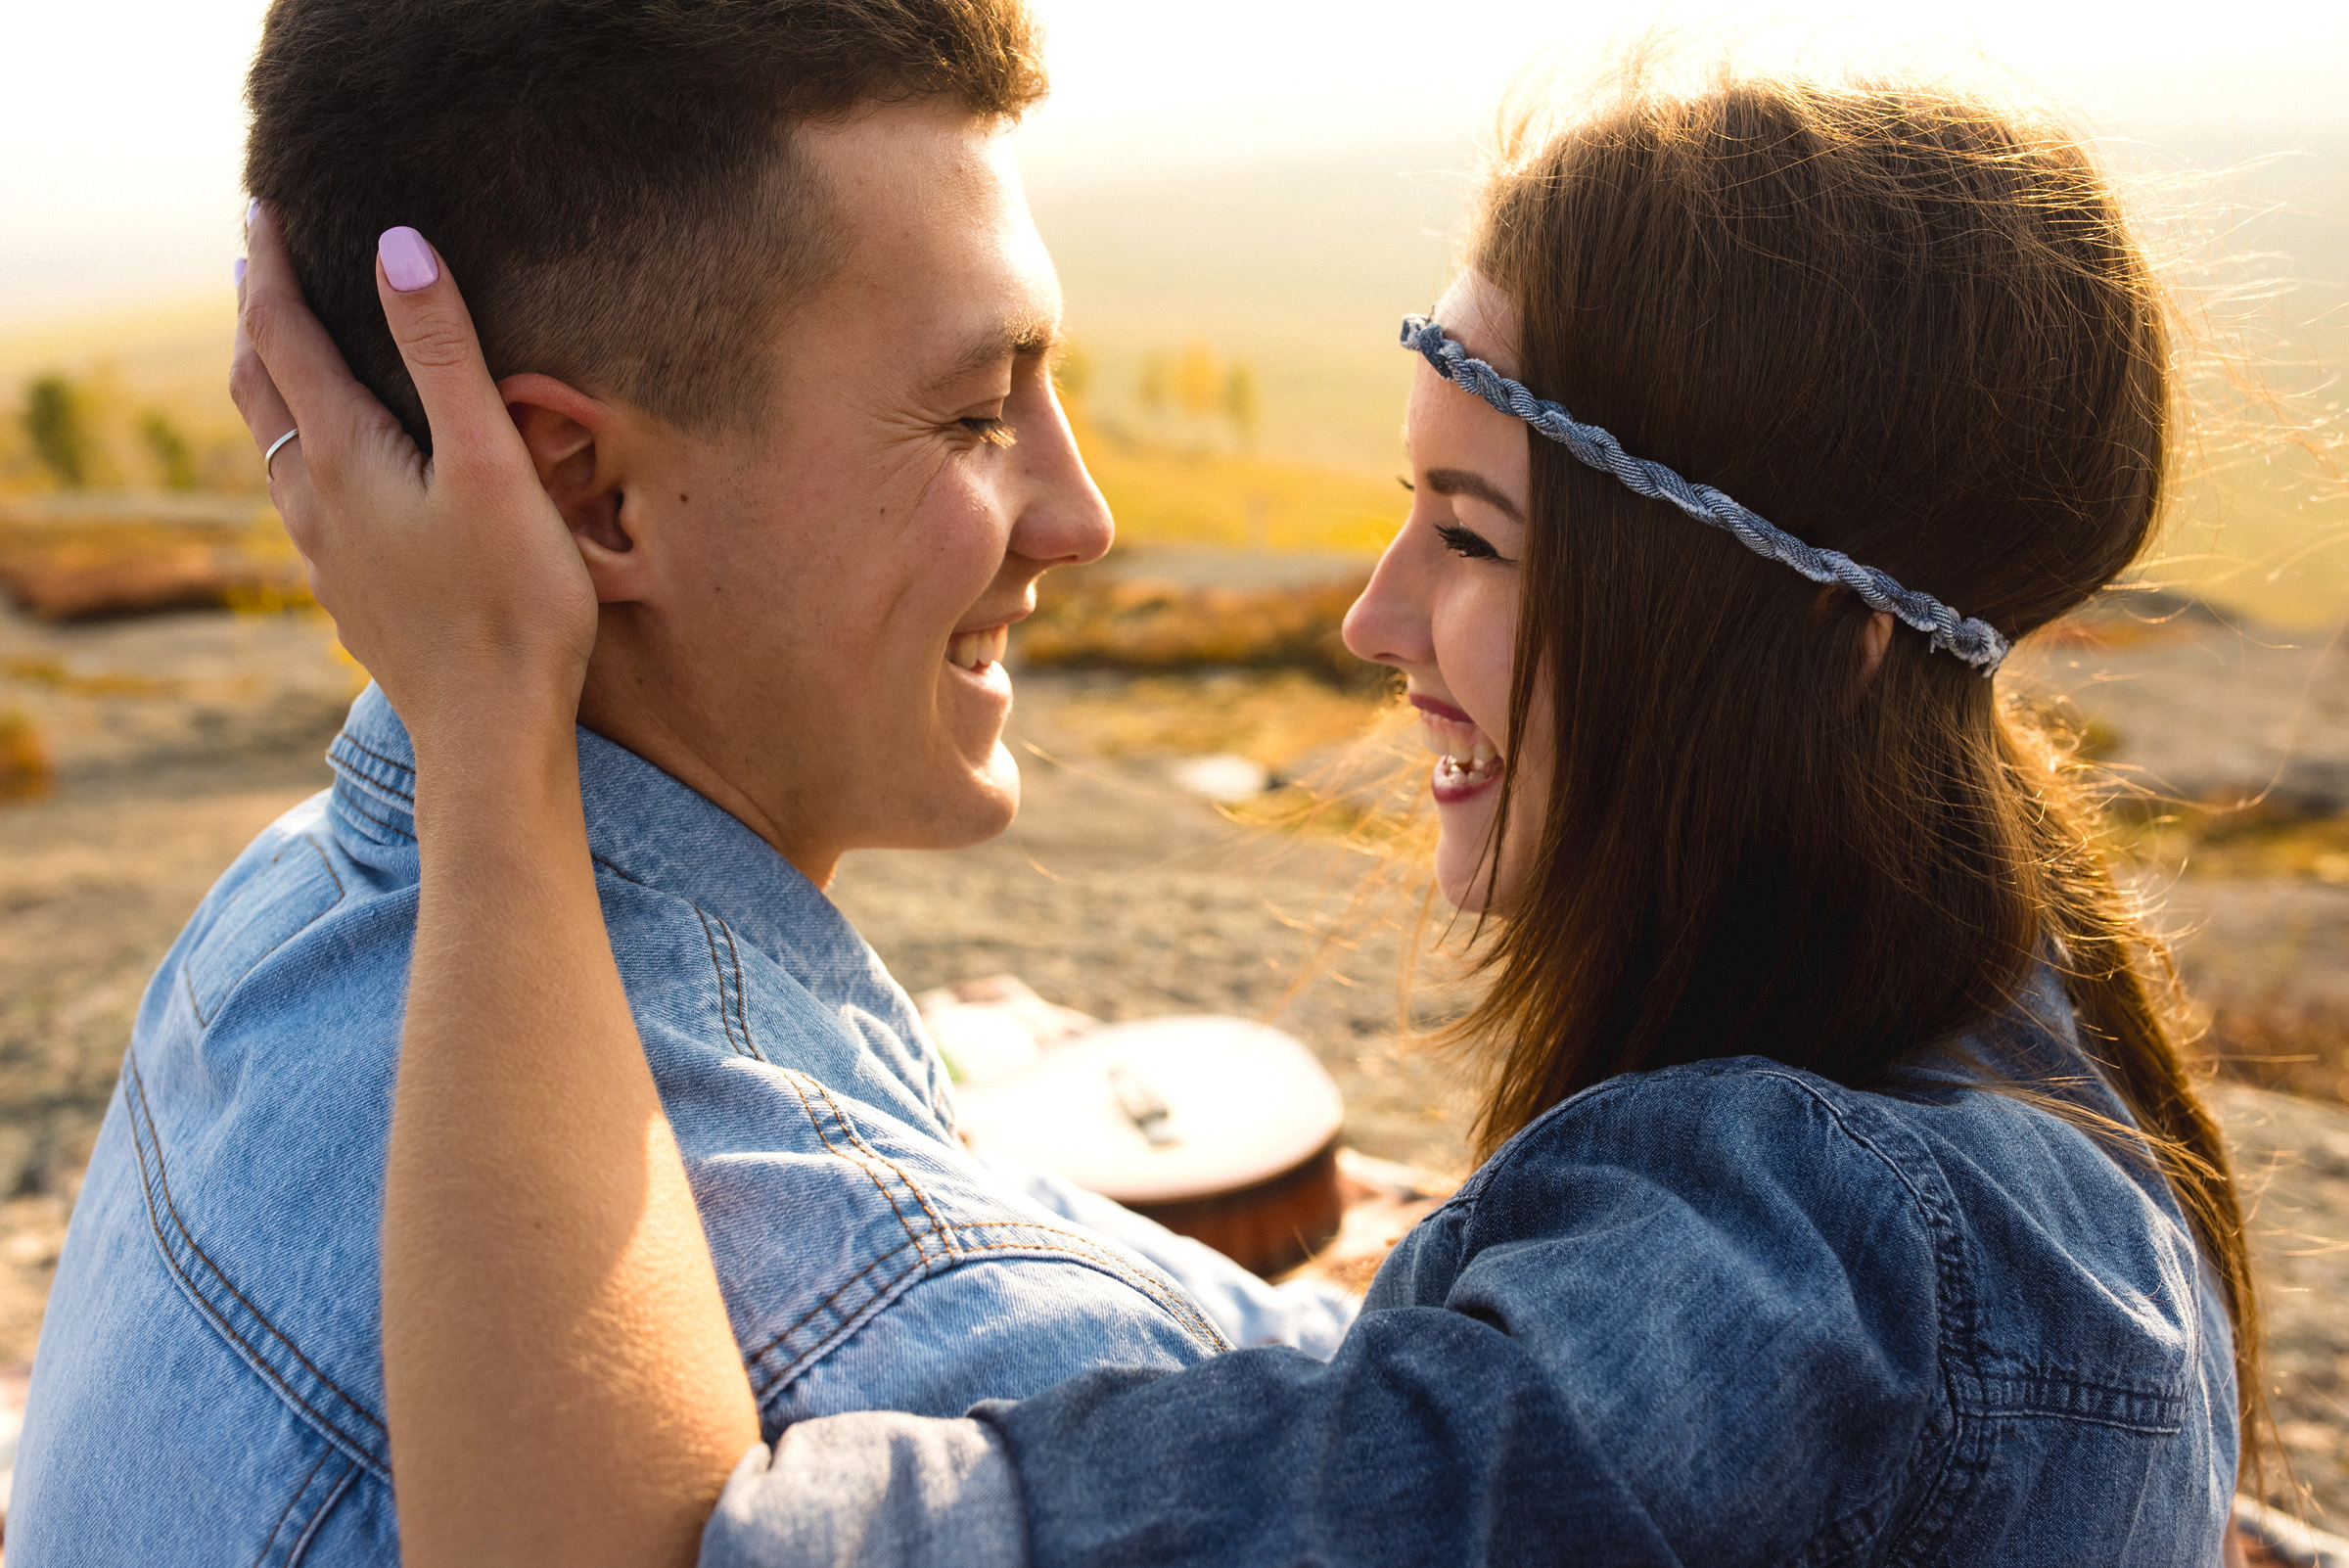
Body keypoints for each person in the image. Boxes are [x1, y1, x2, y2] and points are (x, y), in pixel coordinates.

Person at [236, 57, 2257, 1568]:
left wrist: (490, 720)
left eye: (1469, 533)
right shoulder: (2006, 1125)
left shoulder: (1806, 1280)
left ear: (1806, 637)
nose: (1377, 619)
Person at [11, 3, 1355, 1561]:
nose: (1080, 513)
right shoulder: (934, 1381)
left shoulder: (280, 912)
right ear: (587, 494)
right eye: (977, 414)